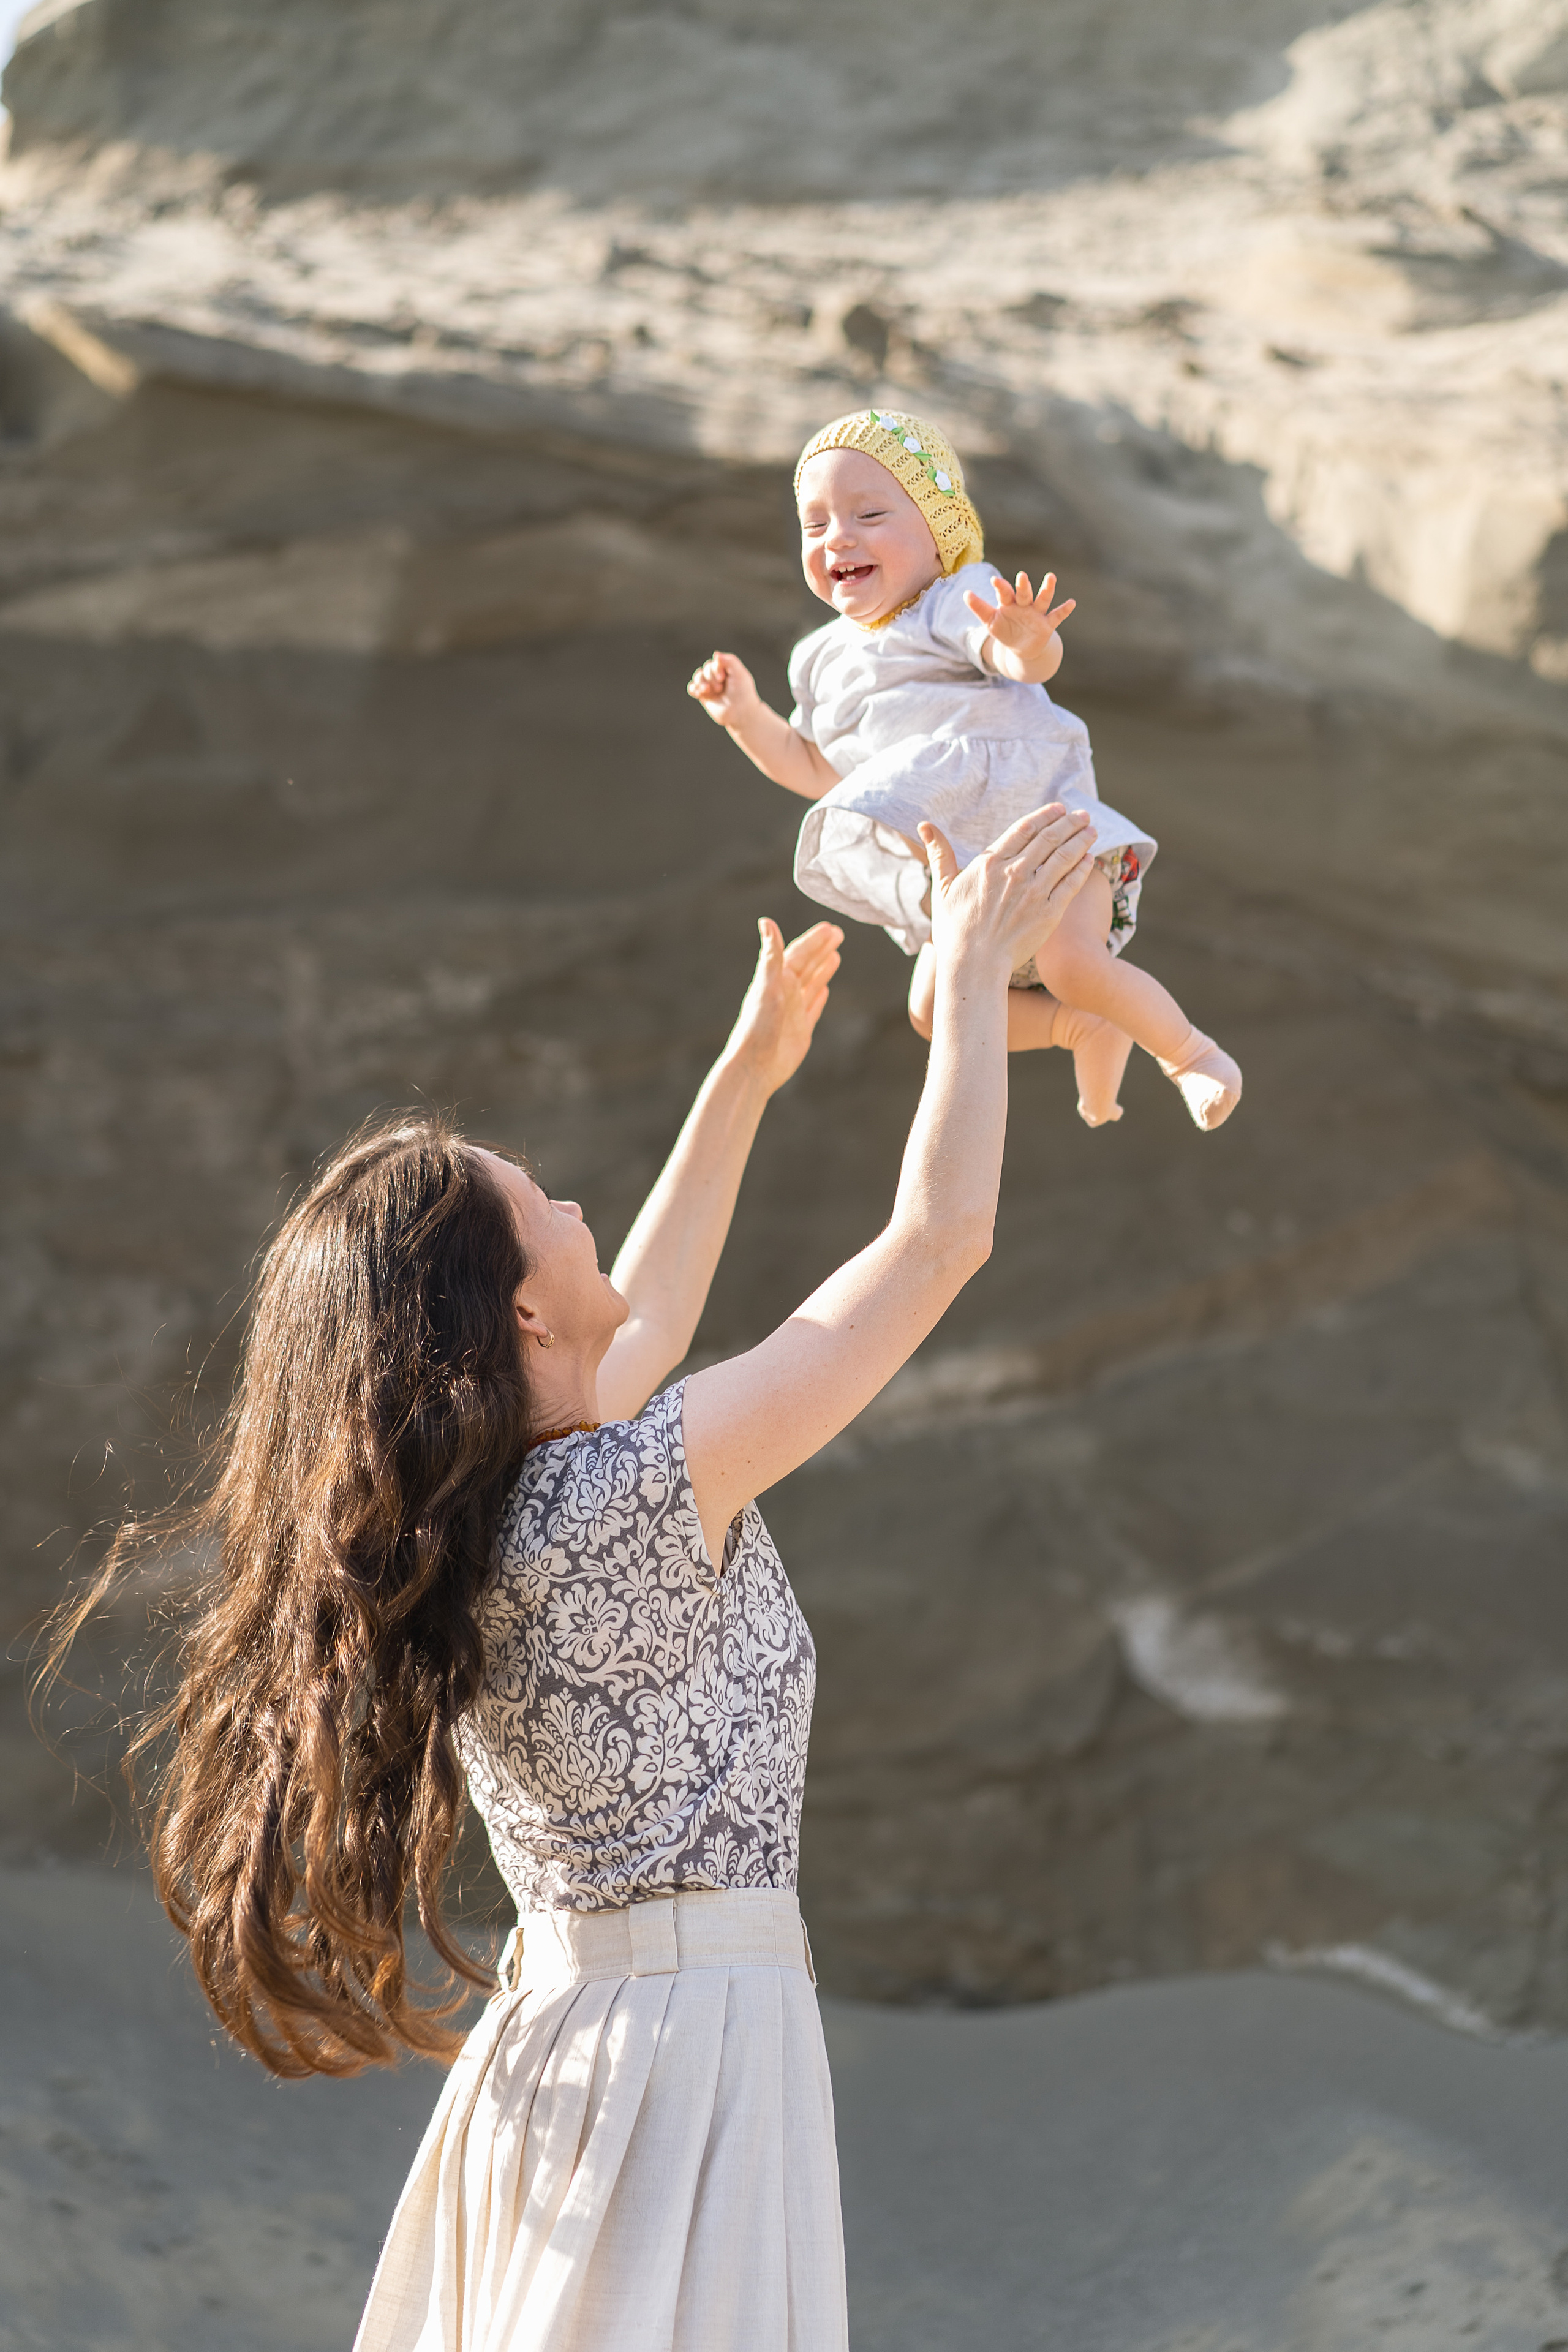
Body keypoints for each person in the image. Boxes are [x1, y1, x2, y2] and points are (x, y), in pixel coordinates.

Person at [51, 797, 1094, 2352]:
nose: (576, 1204)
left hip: (590, 2038)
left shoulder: (501, 1508)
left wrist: (745, 1077)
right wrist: (967, 965)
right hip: (682, 2053)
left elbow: (645, 1313)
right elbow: (938, 1235)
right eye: (541, 1201)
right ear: (517, 1318)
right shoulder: (611, 1499)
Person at [688, 405, 1243, 1133]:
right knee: (929, 1009)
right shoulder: (819, 658)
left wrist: (1027, 643)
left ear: (937, 533)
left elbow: (1017, 658)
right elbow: (820, 770)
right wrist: (745, 718)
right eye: (815, 526)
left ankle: (1192, 1055)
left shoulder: (950, 601)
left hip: (1043, 835)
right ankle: (1082, 1029)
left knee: (1074, 967)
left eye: (870, 514)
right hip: (964, 889)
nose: (839, 538)